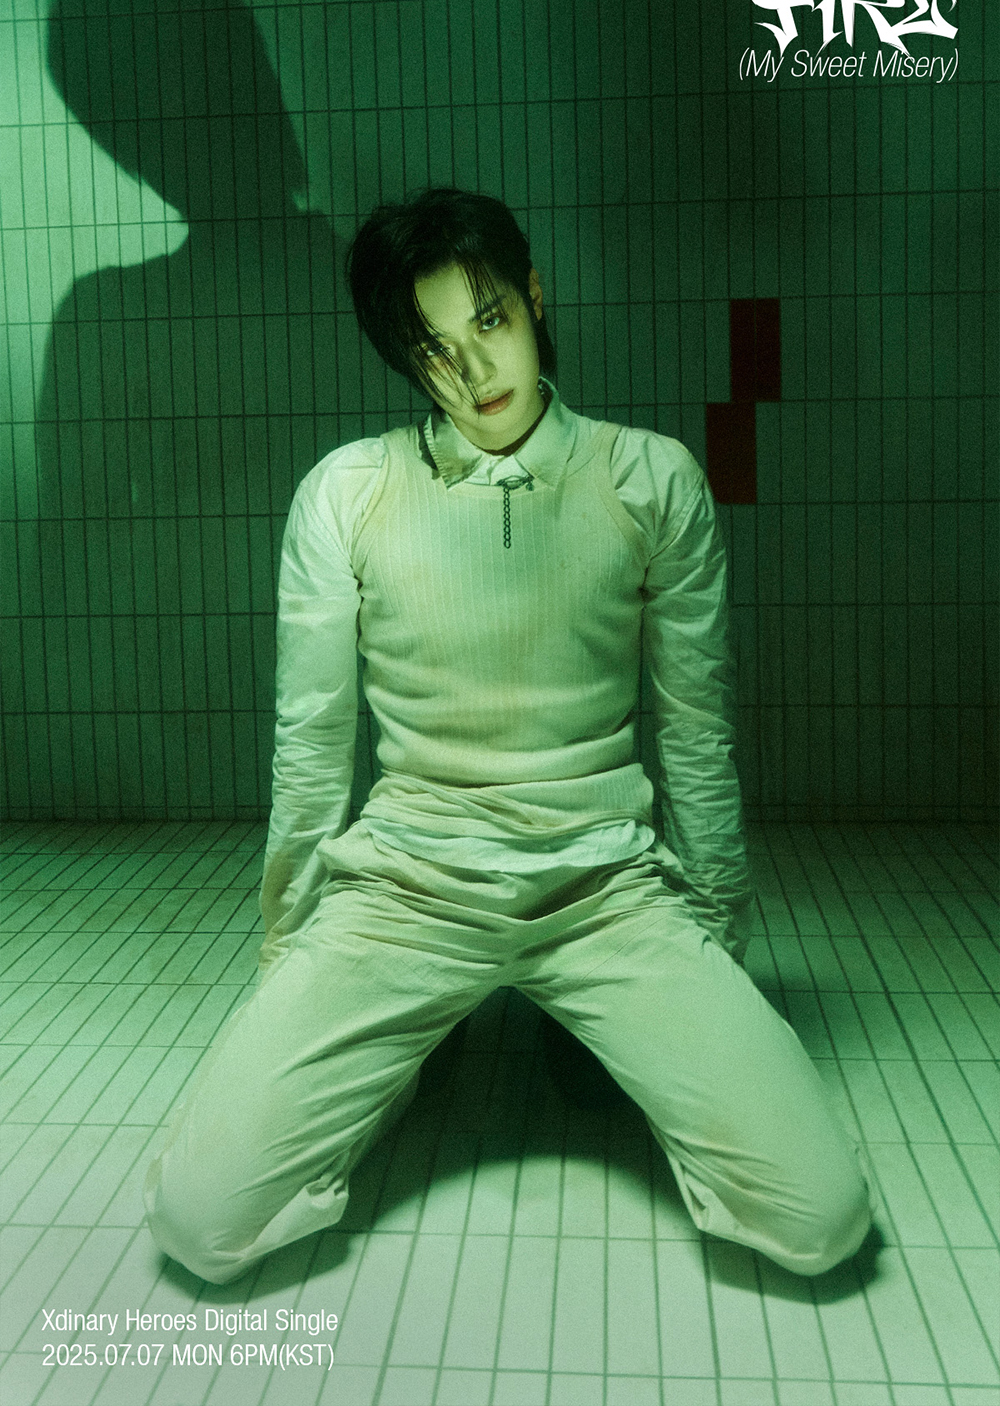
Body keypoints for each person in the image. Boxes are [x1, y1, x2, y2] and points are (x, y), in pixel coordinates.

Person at [145, 188, 872, 1284]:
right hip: (405, 889)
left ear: (534, 298)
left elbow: (695, 730)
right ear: (402, 359)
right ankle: (420, 1047)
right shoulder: (347, 493)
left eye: (489, 320)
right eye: (433, 348)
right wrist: (292, 963)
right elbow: (311, 745)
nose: (475, 369)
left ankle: (570, 1032)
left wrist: (712, 949)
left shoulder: (649, 478)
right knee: (200, 1224)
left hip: (603, 891)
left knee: (822, 1221)